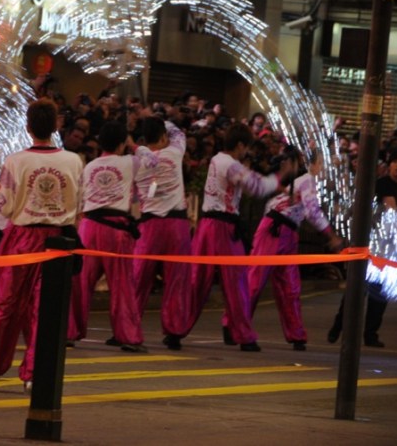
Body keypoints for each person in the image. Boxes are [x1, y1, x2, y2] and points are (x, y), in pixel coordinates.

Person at [0, 99, 82, 392]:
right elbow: (79, 203)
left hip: (22, 237)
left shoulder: (16, 160)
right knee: (45, 308)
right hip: (58, 238)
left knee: (4, 305)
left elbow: (2, 204)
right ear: (56, 126)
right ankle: (35, 375)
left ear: (28, 127)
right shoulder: (74, 160)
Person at [190, 122, 290, 352]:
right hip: (225, 227)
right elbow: (257, 187)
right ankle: (243, 335)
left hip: (207, 224)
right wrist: (281, 176)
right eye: (246, 147)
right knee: (236, 283)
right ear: (240, 145)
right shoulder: (232, 165)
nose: (247, 151)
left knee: (197, 281)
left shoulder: (217, 159)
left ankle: (176, 329)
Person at [328, 148, 397, 347]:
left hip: (387, 248)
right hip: (372, 245)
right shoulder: (384, 184)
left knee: (378, 294)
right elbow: (393, 211)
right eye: (396, 162)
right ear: (389, 164)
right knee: (357, 291)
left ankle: (370, 334)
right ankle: (338, 327)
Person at [247, 148, 342, 351]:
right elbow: (312, 212)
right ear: (313, 165)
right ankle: (237, 326)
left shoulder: (311, 184)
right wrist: (331, 236)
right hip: (275, 229)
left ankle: (296, 334)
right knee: (255, 282)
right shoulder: (308, 181)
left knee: (290, 287)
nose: (328, 168)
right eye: (324, 163)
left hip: (287, 232)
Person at [68, 119, 146, 352]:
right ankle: (127, 336)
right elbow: (152, 160)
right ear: (122, 143)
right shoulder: (130, 161)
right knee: (122, 283)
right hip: (116, 228)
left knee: (81, 282)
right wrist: (134, 145)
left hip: (89, 226)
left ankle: (69, 332)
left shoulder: (90, 166)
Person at [131, 115, 193, 350]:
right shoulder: (175, 152)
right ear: (164, 136)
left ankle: (129, 327)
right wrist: (158, 118)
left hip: (148, 225)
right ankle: (174, 331)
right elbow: (179, 133)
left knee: (139, 278)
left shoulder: (137, 161)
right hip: (177, 225)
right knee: (177, 278)